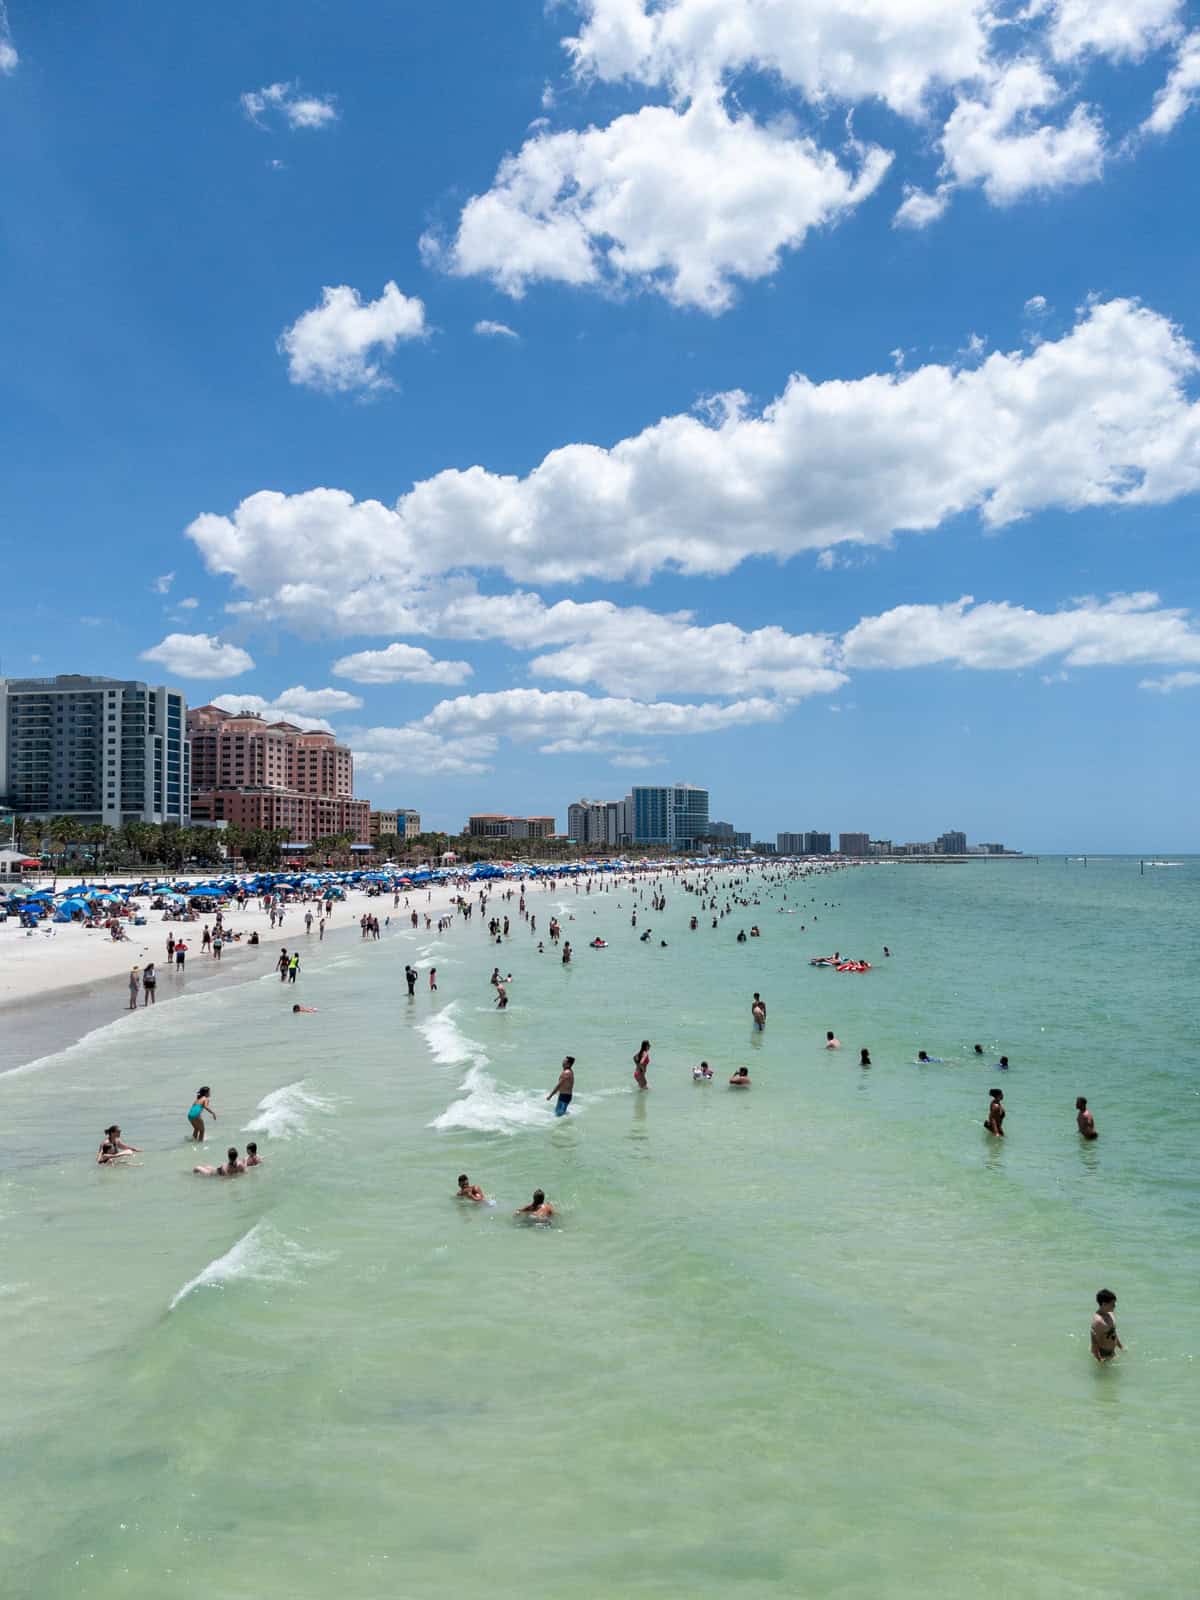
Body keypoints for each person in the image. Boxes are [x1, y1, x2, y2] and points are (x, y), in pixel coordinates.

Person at [1090, 1290, 1123, 1362]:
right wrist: (1099, 1359)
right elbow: (1094, 1343)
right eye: (1112, 1304)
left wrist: (1121, 1347)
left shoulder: (1110, 1314)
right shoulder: (1098, 1322)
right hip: (1103, 1354)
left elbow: (1113, 1332)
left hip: (1112, 1351)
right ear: (1104, 1304)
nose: (1115, 1306)